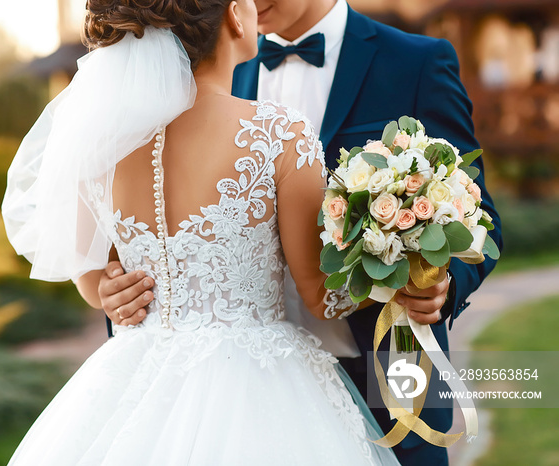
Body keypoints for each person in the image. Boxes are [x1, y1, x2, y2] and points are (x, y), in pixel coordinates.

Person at [97, 0, 503, 464]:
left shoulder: (417, 62)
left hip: (389, 380)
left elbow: (477, 210)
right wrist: (118, 291)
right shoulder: (212, 58)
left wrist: (439, 281)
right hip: (225, 400)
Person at [2, 0, 400, 464]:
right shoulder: (277, 134)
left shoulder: (105, 147)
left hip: (139, 378)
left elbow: (93, 280)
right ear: (234, 14)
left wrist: (110, 291)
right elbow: (323, 295)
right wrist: (399, 259)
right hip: (260, 382)